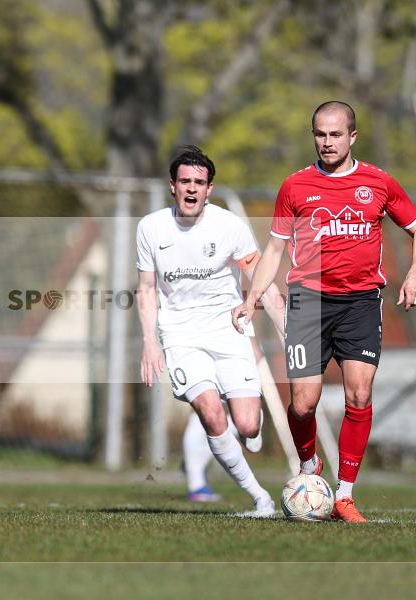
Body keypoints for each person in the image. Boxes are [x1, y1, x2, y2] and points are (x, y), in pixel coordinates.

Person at [233, 101, 416, 523]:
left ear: (352, 137)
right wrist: (252, 300)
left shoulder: (378, 182)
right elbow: (273, 250)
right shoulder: (295, 187)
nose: (327, 142)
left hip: (360, 302)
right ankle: (309, 469)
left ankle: (344, 494)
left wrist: (414, 274)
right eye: (320, 134)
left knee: (359, 394)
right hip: (307, 301)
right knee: (303, 403)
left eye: (335, 134)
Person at [137, 145, 285, 517]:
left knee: (247, 426)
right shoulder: (151, 228)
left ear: (209, 189)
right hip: (181, 336)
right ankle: (260, 498)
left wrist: (285, 325)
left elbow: (259, 275)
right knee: (210, 412)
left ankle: (253, 426)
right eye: (184, 181)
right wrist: (150, 343)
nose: (191, 188)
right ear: (172, 186)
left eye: (198, 183)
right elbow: (146, 289)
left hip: (229, 331)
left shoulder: (229, 226)